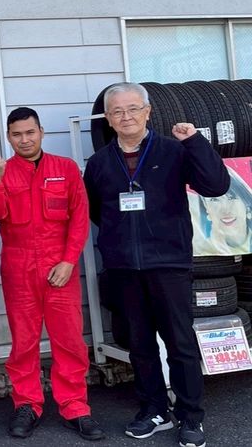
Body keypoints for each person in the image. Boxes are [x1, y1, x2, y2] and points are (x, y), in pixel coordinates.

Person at [83, 82, 229, 447]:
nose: (126, 116)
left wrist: (195, 141)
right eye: (117, 111)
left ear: (148, 112)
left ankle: (191, 417)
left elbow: (215, 184)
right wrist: (121, 240)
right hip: (124, 267)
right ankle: (155, 410)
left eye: (133, 108)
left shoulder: (173, 150)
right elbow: (98, 211)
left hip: (169, 263)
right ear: (108, 119)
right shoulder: (99, 163)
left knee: (180, 343)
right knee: (140, 344)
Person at [0, 107, 104, 441]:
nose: (24, 140)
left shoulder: (65, 168)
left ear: (41, 132)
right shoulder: (1, 171)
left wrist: (68, 261)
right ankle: (27, 404)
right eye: (17, 134)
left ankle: (75, 407)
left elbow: (80, 217)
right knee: (23, 343)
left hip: (59, 267)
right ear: (9, 137)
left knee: (69, 341)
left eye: (30, 132)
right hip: (19, 268)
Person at [195, 166, 252, 255]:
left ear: (247, 206)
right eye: (214, 200)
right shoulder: (199, 249)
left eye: (231, 198)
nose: (225, 209)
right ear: (206, 209)